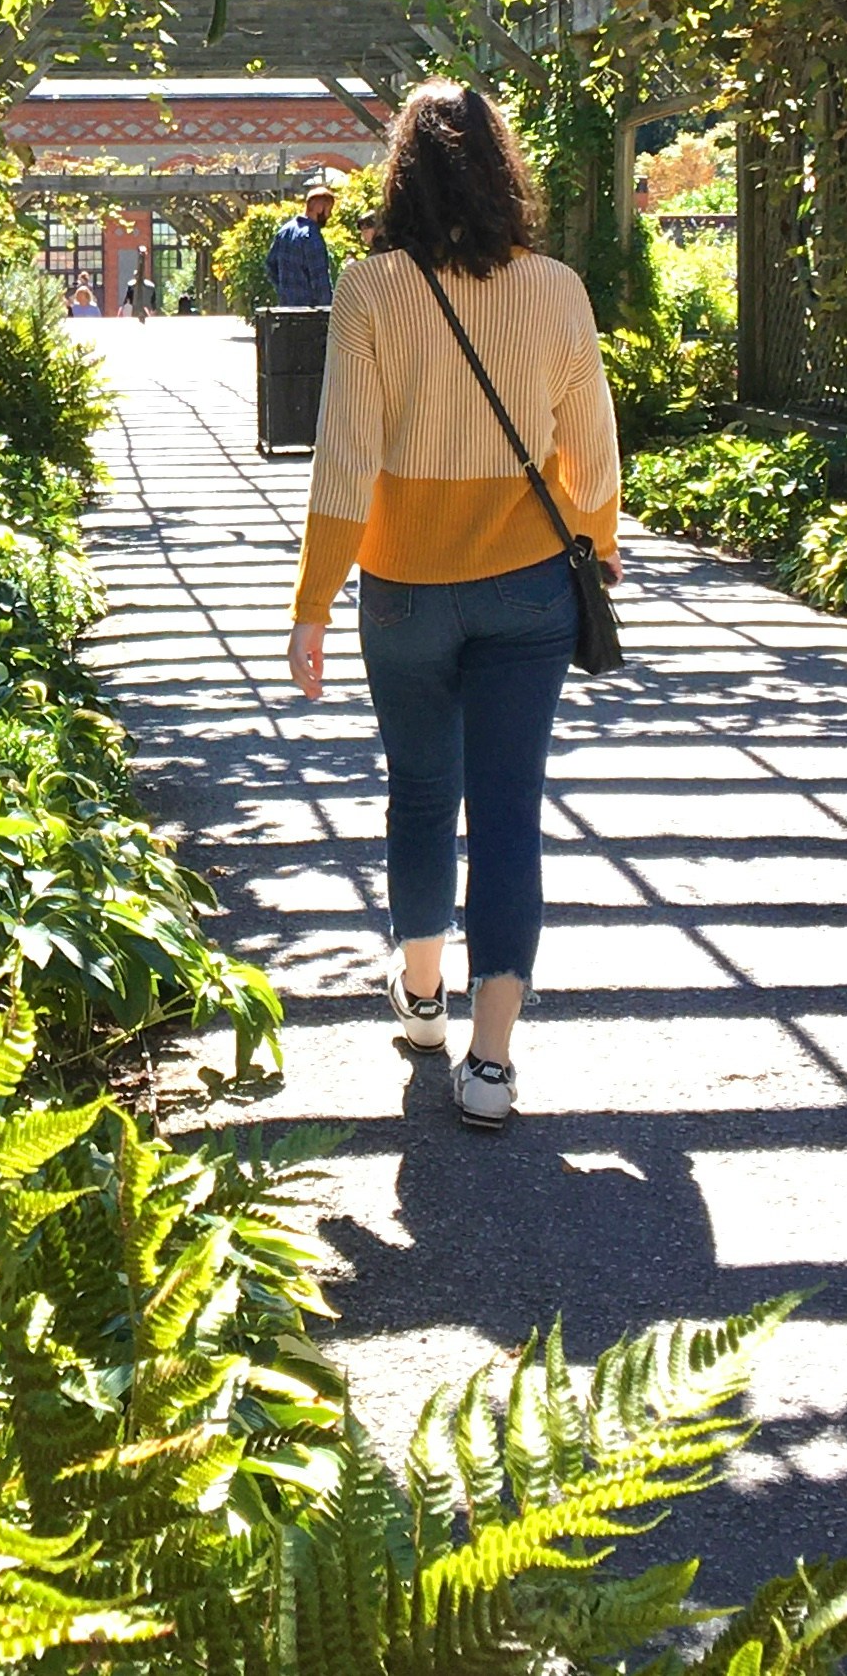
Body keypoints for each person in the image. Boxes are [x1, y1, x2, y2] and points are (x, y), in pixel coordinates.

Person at [286, 85, 619, 1134]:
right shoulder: (558, 288)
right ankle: (491, 1062)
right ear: (502, 170)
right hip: (529, 589)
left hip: (403, 593)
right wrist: (597, 549)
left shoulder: (370, 289)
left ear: (401, 175)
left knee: (421, 792)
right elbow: (594, 449)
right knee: (509, 809)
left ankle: (421, 996)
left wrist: (311, 606)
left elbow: (343, 462)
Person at [266, 171, 344, 309]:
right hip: (309, 314)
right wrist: (327, 310)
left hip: (287, 310)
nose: (329, 215)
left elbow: (270, 265)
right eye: (328, 210)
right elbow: (320, 281)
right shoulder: (312, 236)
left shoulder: (284, 231)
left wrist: (284, 290)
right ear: (319, 207)